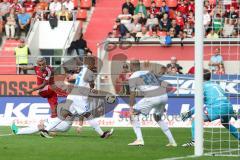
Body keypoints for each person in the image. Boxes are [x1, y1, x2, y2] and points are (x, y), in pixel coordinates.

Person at [181, 69, 240, 147]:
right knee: (225, 123)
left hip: (217, 108)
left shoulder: (202, 86)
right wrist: (232, 113)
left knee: (196, 119)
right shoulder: (216, 85)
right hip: (228, 107)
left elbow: (199, 104)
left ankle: (195, 141)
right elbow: (224, 97)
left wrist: (189, 113)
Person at [127, 60, 177, 146]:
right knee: (157, 118)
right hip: (163, 95)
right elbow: (159, 82)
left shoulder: (133, 77)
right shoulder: (148, 72)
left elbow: (132, 94)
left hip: (152, 96)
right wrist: (161, 103)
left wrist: (131, 108)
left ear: (131, 66)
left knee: (133, 115)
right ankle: (172, 141)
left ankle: (139, 139)